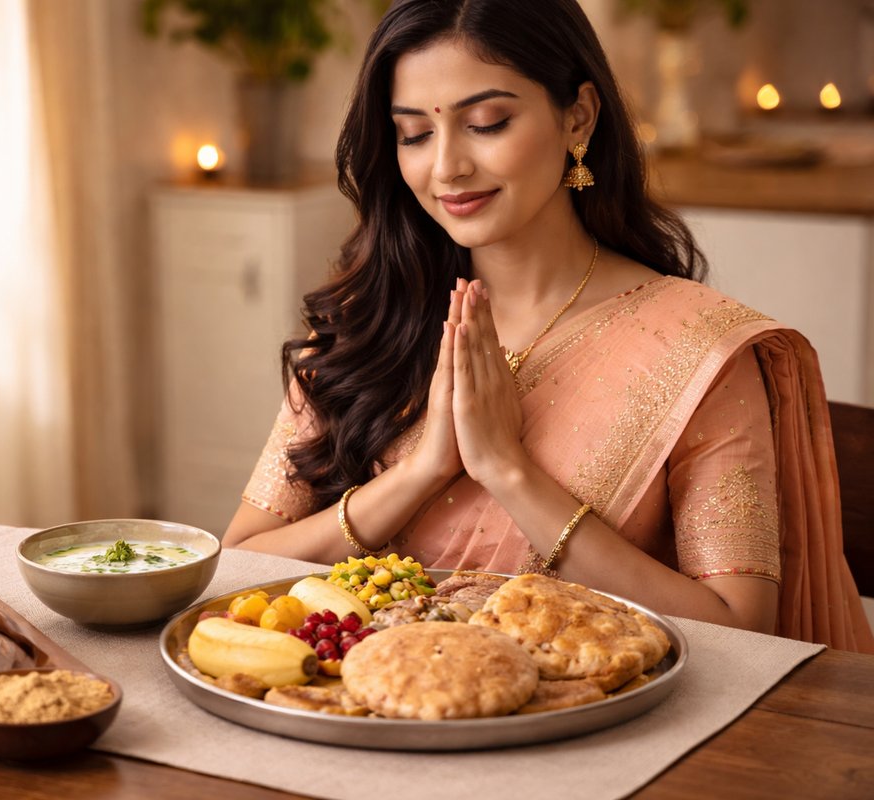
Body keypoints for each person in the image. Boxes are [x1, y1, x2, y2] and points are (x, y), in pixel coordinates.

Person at [221, 0, 874, 653]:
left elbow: (740, 630)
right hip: (349, 702)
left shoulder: (698, 349)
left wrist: (508, 471)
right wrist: (421, 473)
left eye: (487, 123)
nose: (446, 167)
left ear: (578, 116)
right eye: (414, 133)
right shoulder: (368, 320)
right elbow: (241, 564)